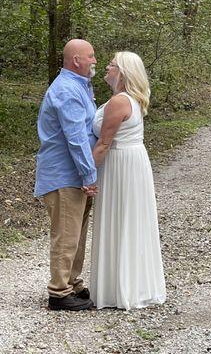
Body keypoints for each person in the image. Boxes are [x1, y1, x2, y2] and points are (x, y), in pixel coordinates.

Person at [89, 51, 166, 310]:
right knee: (130, 220)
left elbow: (104, 143)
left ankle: (120, 288)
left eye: (111, 65)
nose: (106, 68)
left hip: (120, 162)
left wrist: (86, 175)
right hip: (133, 160)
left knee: (120, 219)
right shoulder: (131, 99)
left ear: (121, 72)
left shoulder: (119, 101)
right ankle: (132, 284)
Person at [34, 39, 99, 311]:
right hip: (64, 176)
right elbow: (76, 138)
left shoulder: (79, 86)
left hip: (74, 176)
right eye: (91, 56)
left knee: (77, 233)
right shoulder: (67, 90)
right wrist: (89, 175)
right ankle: (59, 293)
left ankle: (72, 282)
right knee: (66, 233)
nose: (95, 60)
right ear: (76, 60)